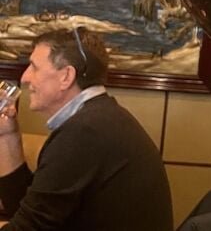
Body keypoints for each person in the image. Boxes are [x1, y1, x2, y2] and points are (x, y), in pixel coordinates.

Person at [0, 28, 173, 231]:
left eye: (34, 67)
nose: (25, 77)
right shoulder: (98, 117)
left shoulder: (84, 132)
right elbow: (26, 209)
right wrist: (8, 135)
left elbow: (29, 227)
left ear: (66, 76)